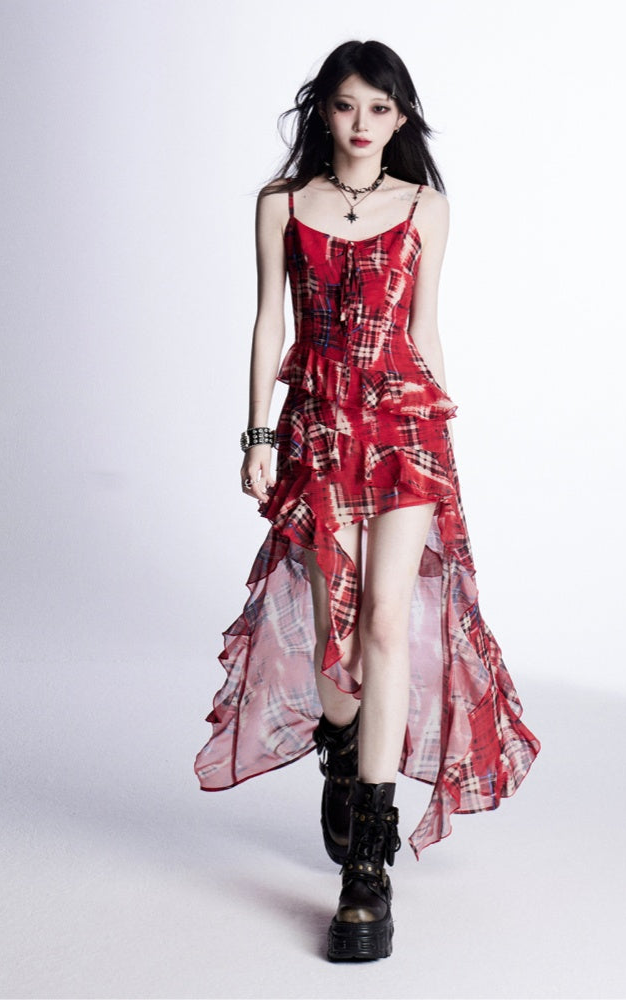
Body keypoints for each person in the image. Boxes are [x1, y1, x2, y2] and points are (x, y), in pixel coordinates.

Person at [194, 39, 540, 962]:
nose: (361, 124)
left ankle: (367, 872)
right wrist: (257, 436)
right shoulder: (281, 203)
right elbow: (268, 318)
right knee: (336, 651)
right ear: (324, 110)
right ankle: (341, 750)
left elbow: (425, 328)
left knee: (387, 621)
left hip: (405, 429)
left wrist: (443, 436)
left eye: (380, 109)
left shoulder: (427, 207)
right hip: (317, 428)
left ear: (401, 118)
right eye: (347, 105)